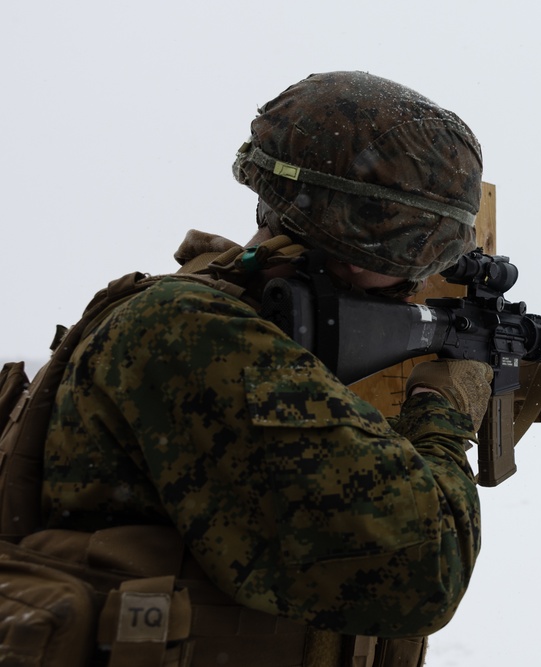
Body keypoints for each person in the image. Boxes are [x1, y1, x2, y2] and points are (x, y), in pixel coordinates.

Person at [33, 71, 493, 665]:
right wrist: (444, 412)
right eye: (420, 252)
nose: (414, 284)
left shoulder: (208, 315)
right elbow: (424, 570)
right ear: (362, 240)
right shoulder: (194, 332)